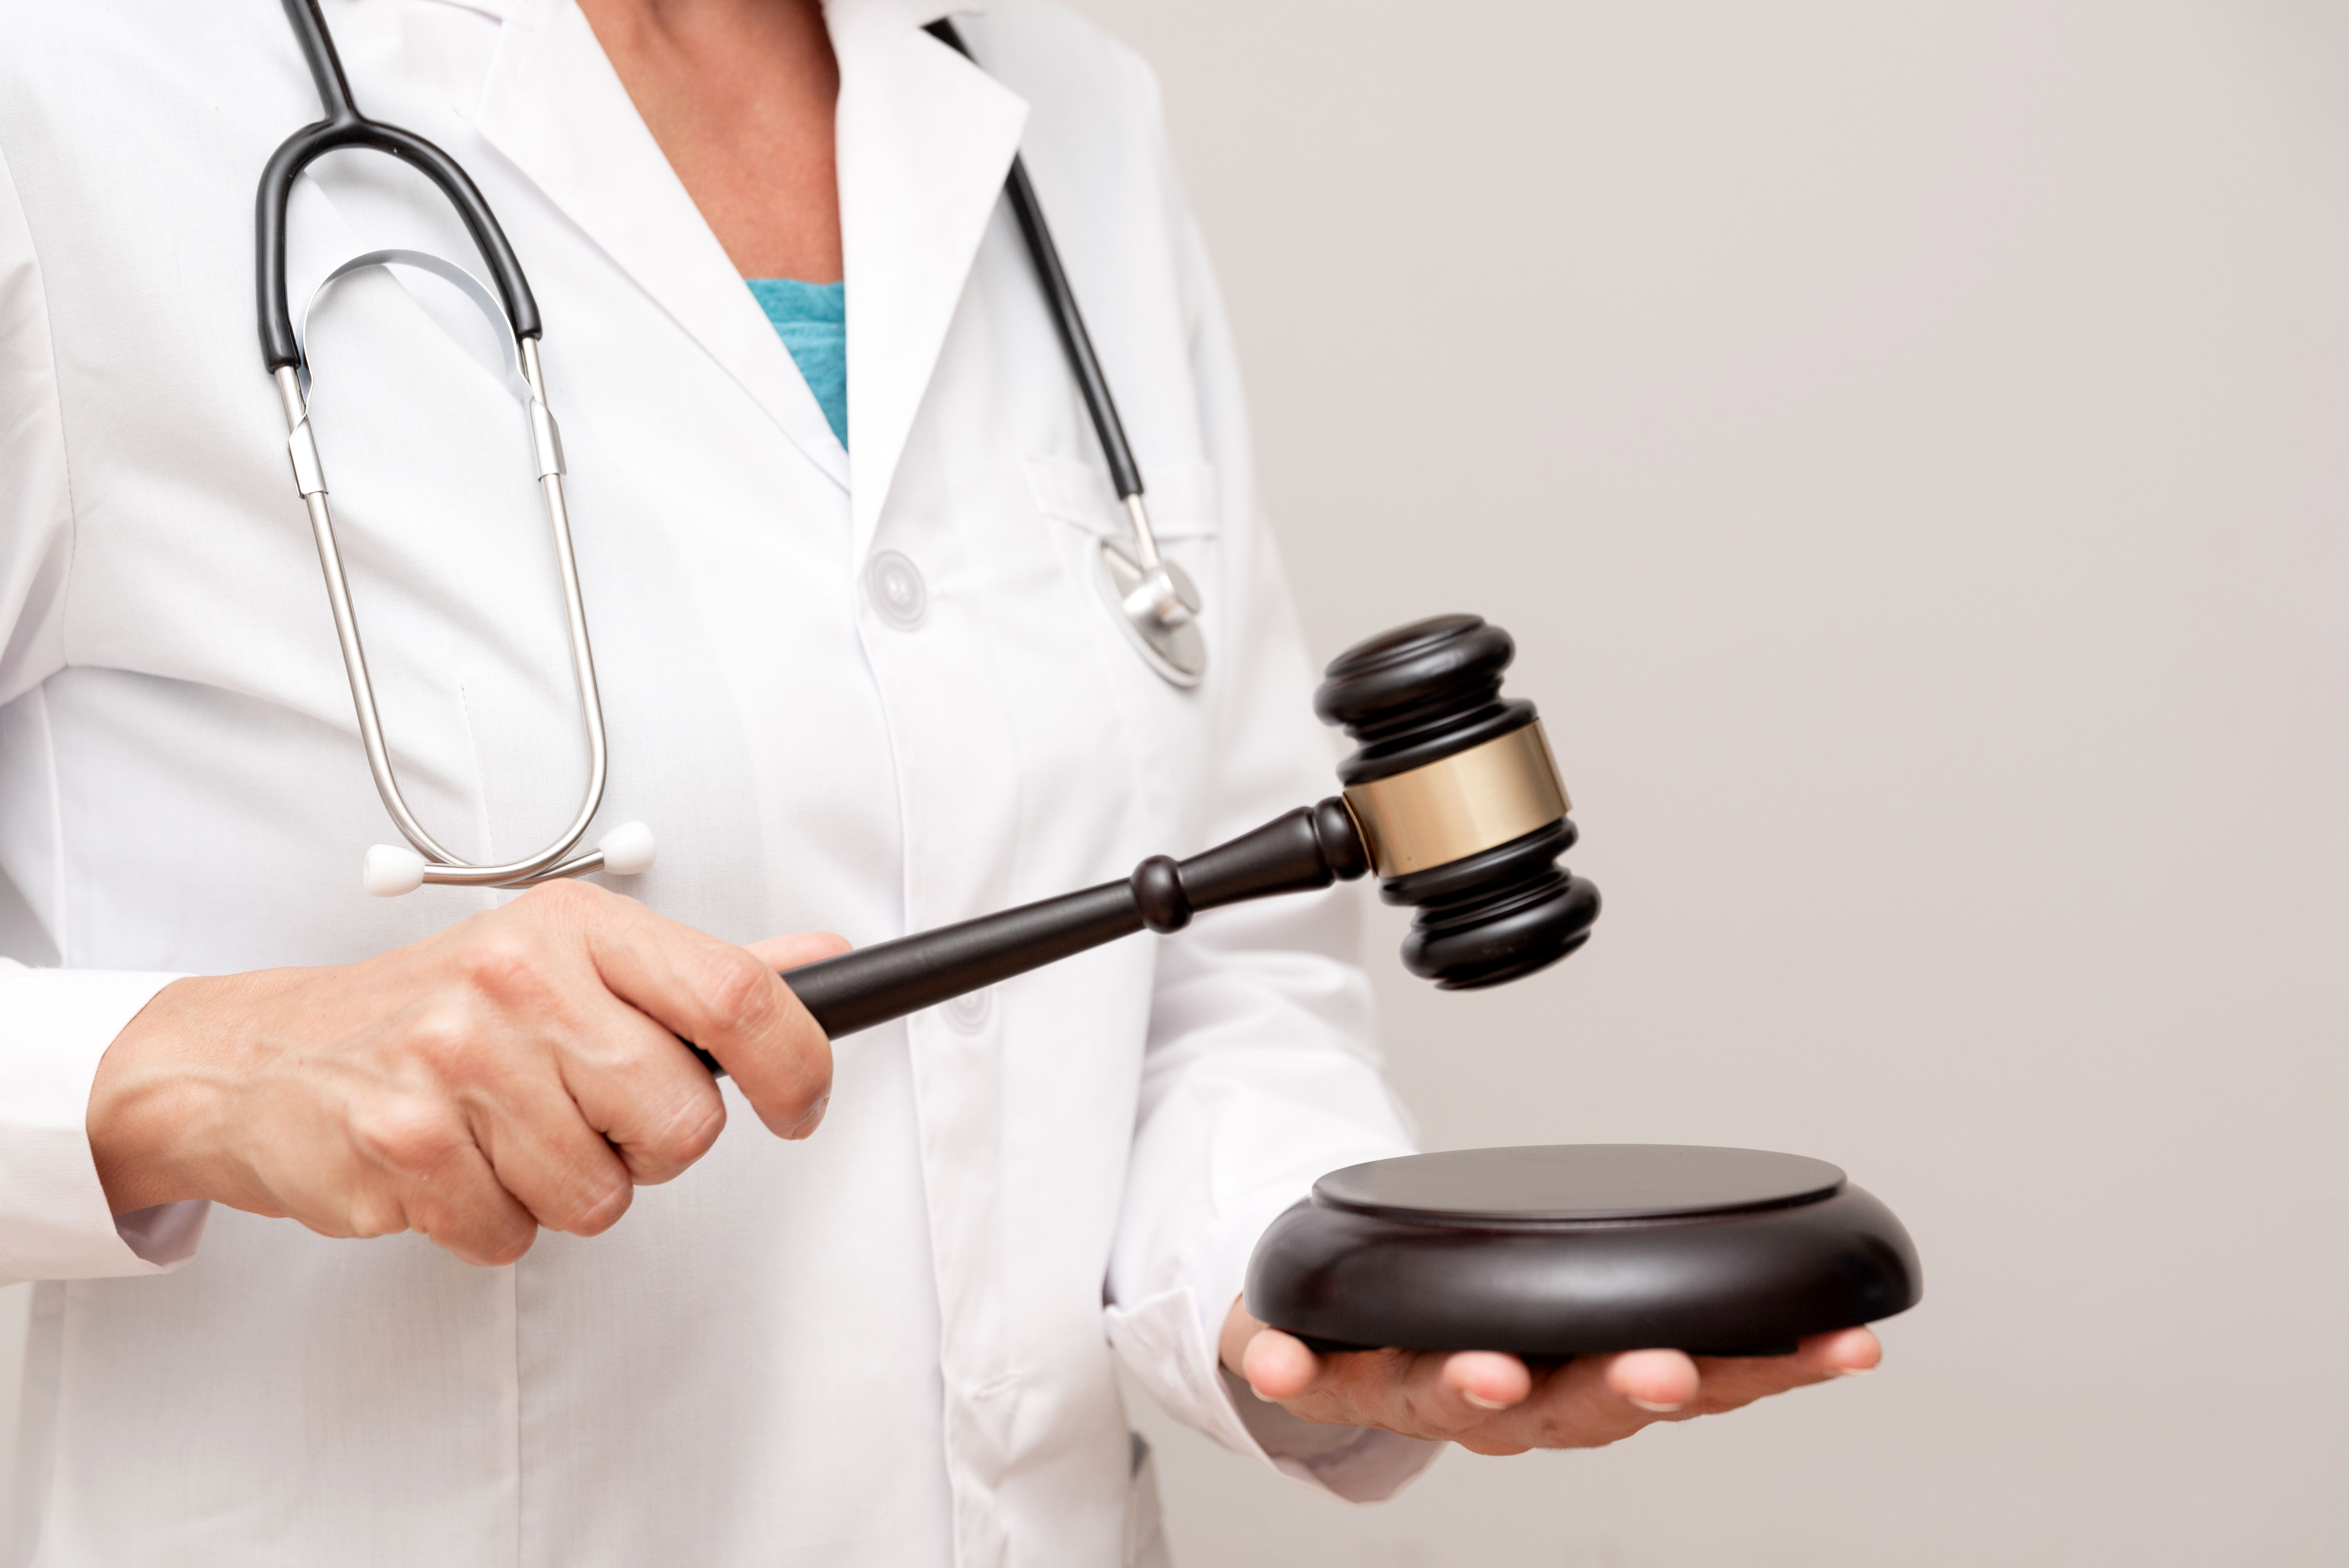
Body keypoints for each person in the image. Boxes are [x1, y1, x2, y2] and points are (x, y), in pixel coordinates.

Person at [0, 0, 1878, 1561]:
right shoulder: (71, 87)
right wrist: (196, 1066)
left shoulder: (1065, 115)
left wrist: (1309, 1277)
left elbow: (1217, 980)